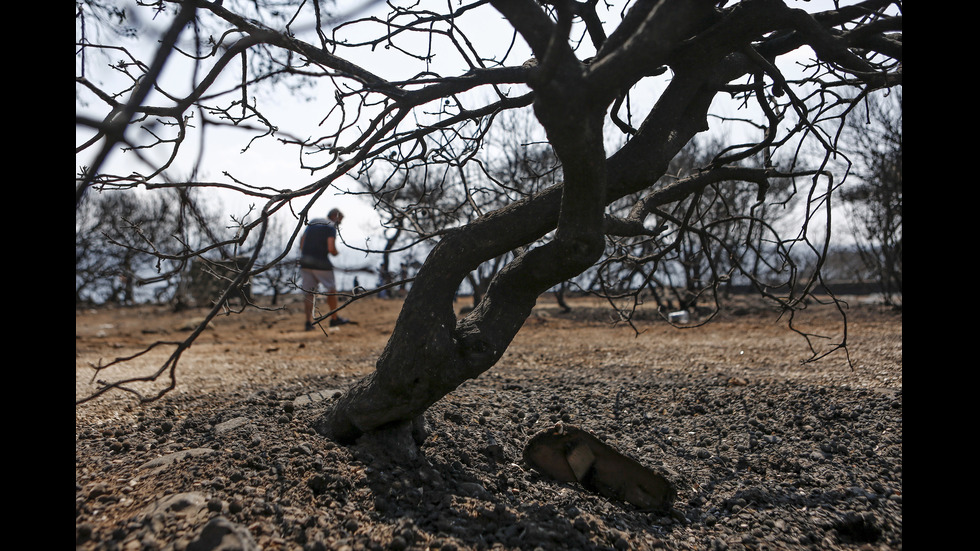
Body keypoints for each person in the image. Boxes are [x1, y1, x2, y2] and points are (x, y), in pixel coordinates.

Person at [299, 208, 356, 331]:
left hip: (305, 261)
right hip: (322, 263)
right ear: (335, 217)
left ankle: (308, 323)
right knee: (331, 289)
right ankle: (334, 319)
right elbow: (331, 248)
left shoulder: (313, 221)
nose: (339, 224)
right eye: (339, 221)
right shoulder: (331, 227)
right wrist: (335, 253)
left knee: (309, 292)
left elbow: (302, 243)